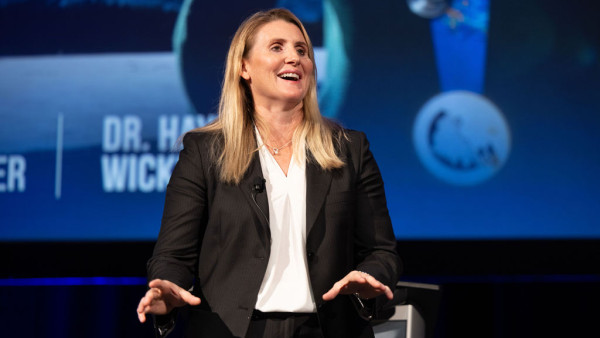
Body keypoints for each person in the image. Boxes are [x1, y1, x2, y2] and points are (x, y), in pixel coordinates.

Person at [136, 8, 401, 338]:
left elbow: (381, 252)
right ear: (244, 67)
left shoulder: (349, 150)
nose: (294, 57)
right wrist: (168, 289)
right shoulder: (204, 152)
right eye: (277, 47)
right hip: (233, 330)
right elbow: (172, 256)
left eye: (302, 50)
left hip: (326, 329)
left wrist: (370, 277)